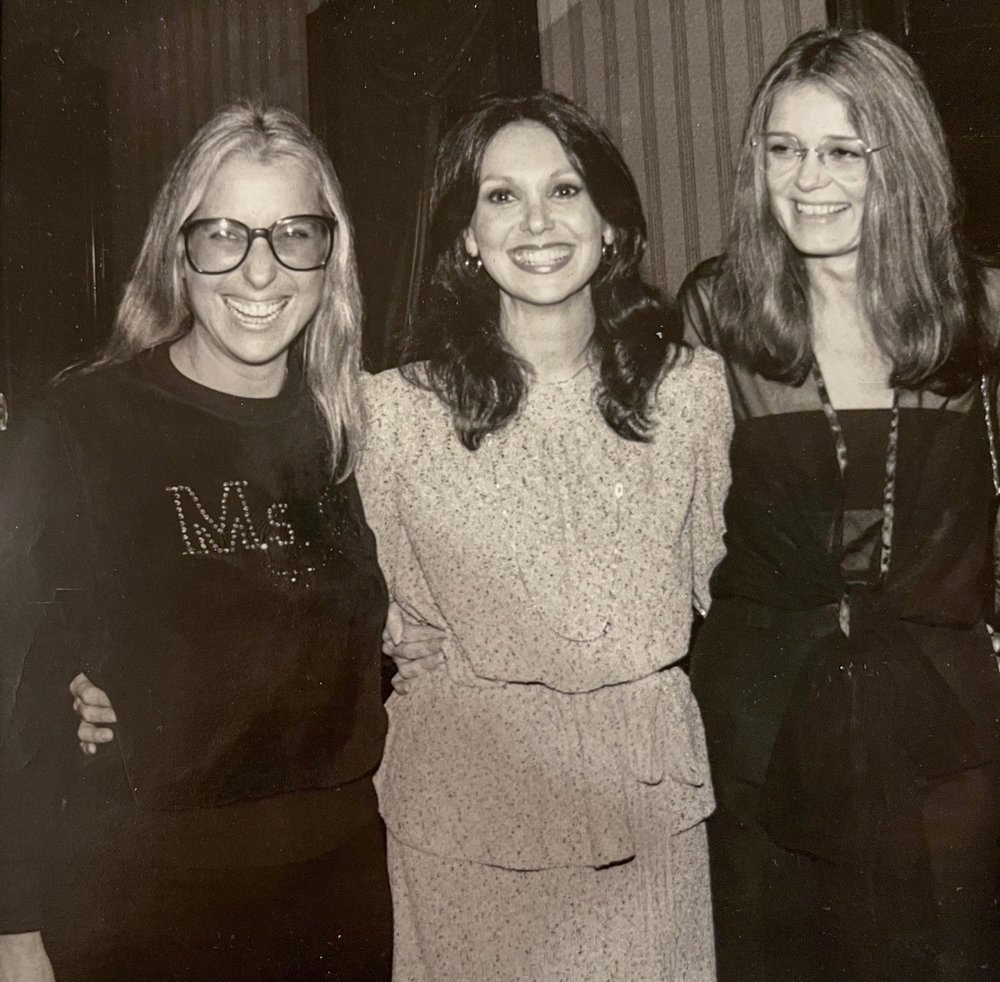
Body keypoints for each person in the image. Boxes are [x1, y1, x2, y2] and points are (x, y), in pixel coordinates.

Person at [0, 101, 392, 981]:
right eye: (223, 234)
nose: (260, 271)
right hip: (141, 904)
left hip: (342, 892)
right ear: (178, 250)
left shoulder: (364, 426)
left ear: (331, 255)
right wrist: (11, 923)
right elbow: (12, 682)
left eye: (294, 232)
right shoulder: (79, 426)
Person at [354, 91, 729, 980]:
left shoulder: (691, 395)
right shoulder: (395, 413)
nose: (535, 223)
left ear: (611, 226)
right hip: (465, 814)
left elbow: (725, 578)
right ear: (466, 239)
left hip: (645, 809)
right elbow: (359, 623)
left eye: (564, 191)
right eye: (500, 196)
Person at [679, 28, 1000, 982]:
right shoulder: (716, 313)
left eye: (842, 150)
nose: (807, 179)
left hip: (951, 741)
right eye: (783, 149)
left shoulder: (979, 311)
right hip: (765, 738)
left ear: (897, 157)